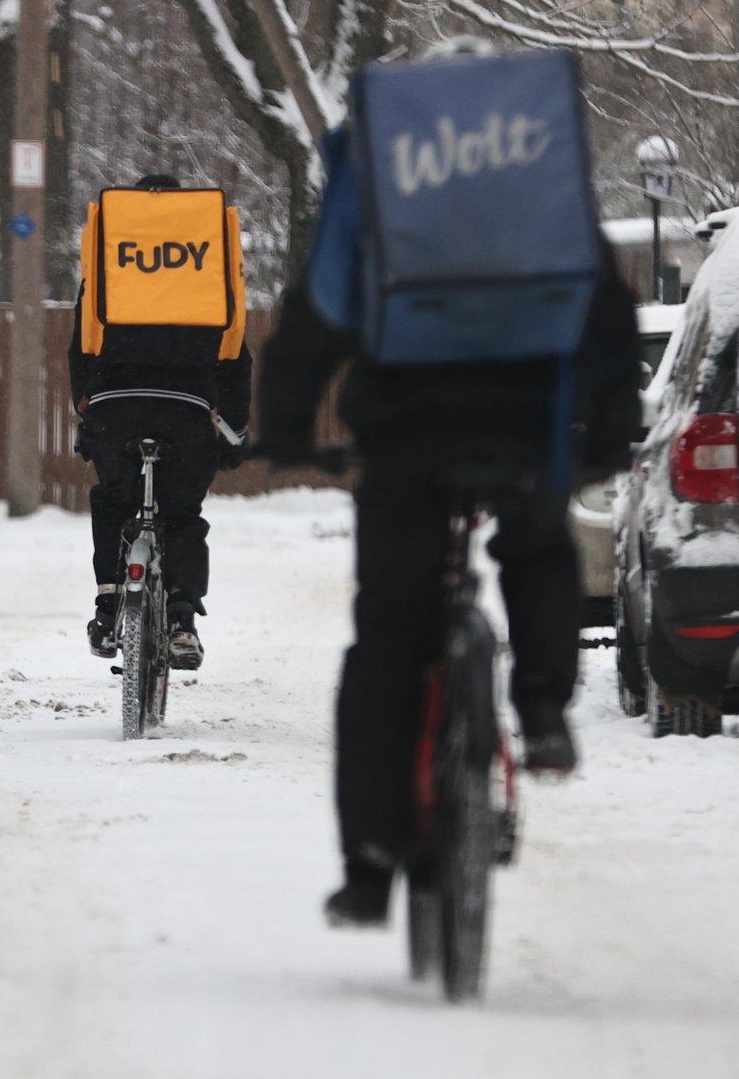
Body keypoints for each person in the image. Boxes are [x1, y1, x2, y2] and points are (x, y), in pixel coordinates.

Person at [256, 48, 642, 928]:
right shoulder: (533, 154)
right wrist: (611, 425)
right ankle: (542, 707)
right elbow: (605, 306)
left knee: (388, 640)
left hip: (407, 434)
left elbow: (318, 305)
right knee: (536, 542)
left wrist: (284, 429)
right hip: (527, 417)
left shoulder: (379, 161)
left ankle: (369, 864)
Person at [71, 174, 252, 669]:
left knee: (112, 500)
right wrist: (234, 433)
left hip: (115, 404)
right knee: (183, 516)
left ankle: (108, 605)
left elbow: (82, 345)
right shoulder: (208, 267)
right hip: (187, 407)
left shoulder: (113, 264)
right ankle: (181, 618)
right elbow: (235, 357)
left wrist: (85, 411)